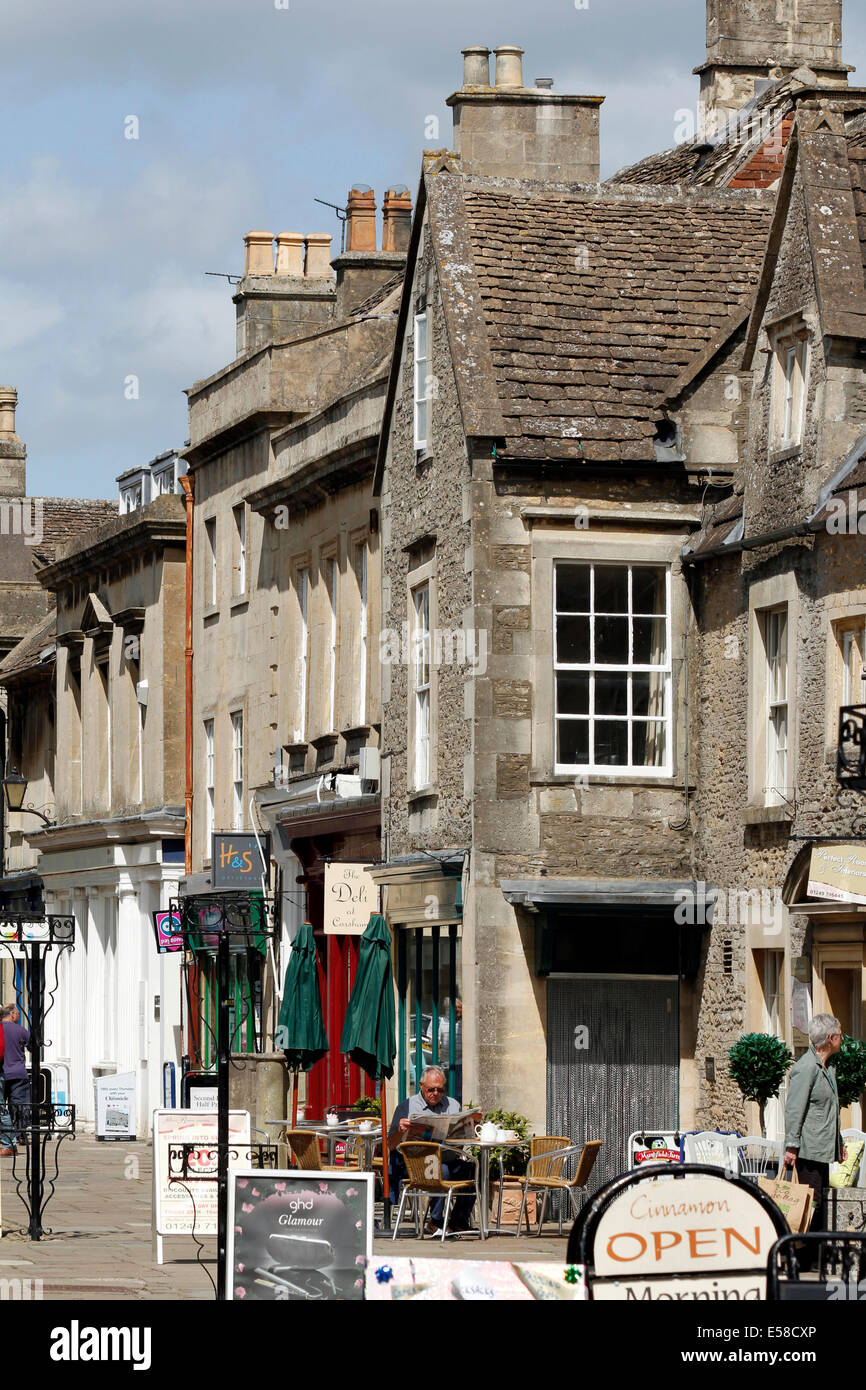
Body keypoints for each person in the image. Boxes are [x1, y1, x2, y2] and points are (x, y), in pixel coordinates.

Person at [388, 1065, 480, 1235]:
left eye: (440, 1090)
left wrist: (471, 1125)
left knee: (473, 1169)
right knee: (441, 1169)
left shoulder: (452, 1104)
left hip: (447, 1158)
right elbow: (390, 1145)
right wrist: (400, 1131)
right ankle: (435, 1221)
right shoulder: (406, 1107)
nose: (435, 1093)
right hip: (417, 1164)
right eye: (431, 1089)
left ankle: (459, 1220)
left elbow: (460, 1143)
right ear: (421, 1086)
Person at [784, 1013, 846, 1239]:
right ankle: (801, 1260)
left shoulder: (826, 1068)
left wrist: (838, 1143)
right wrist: (791, 1145)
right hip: (808, 1151)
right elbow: (794, 1109)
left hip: (821, 1149)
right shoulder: (807, 1068)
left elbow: (829, 1111)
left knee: (816, 1204)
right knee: (808, 1206)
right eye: (840, 1035)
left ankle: (814, 1259)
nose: (843, 1040)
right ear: (831, 1038)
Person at [0, 1004, 31, 1156]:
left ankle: (6, 1138)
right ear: (12, 1014)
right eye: (17, 1013)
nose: (18, 1016)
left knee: (2, 1109)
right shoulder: (20, 1030)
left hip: (3, 1072)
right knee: (19, 1107)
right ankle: (21, 1135)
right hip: (18, 1073)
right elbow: (32, 1045)